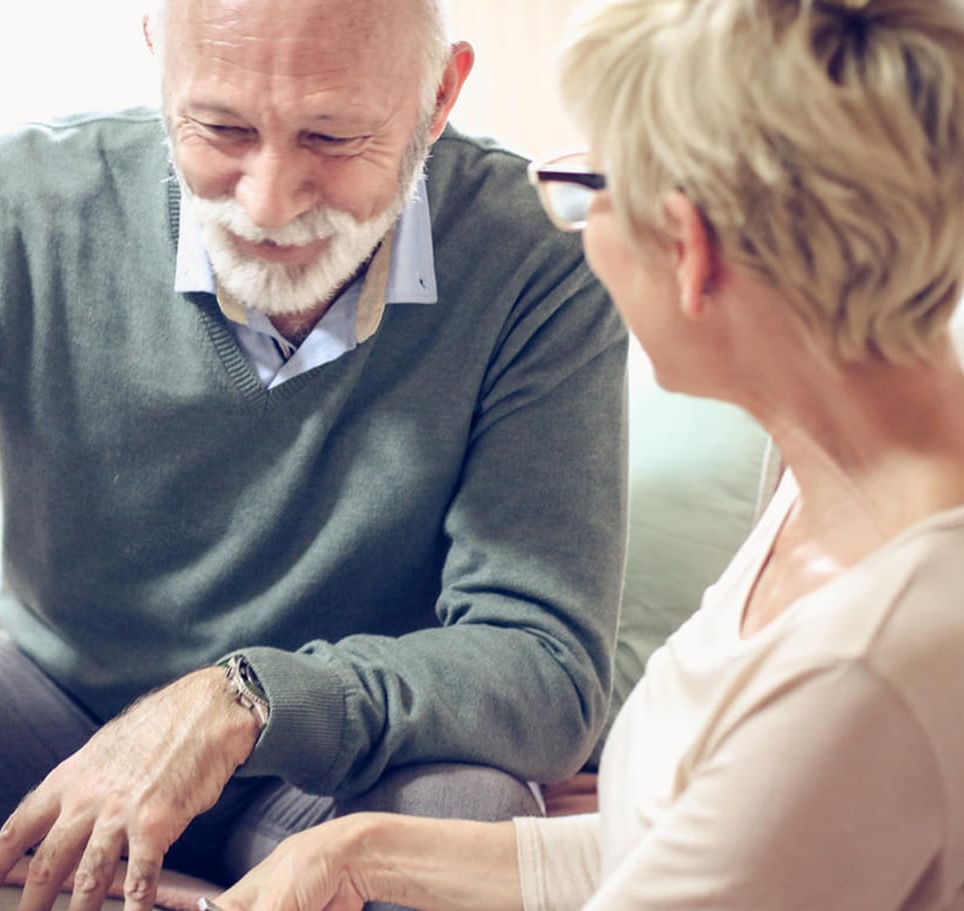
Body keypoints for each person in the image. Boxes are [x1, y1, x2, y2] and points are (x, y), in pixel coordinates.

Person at [0, 0, 630, 909]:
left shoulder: (538, 262)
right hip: (51, 716)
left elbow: (543, 663)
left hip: (333, 768)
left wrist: (241, 699)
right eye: (221, 127)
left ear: (438, 94)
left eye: (332, 134)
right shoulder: (23, 203)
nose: (268, 201)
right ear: (157, 59)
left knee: (470, 812)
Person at [205, 0, 964, 909]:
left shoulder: (872, 657)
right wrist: (352, 852)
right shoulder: (833, 499)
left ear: (687, 249)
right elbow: (690, 850)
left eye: (584, 189)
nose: (572, 227)